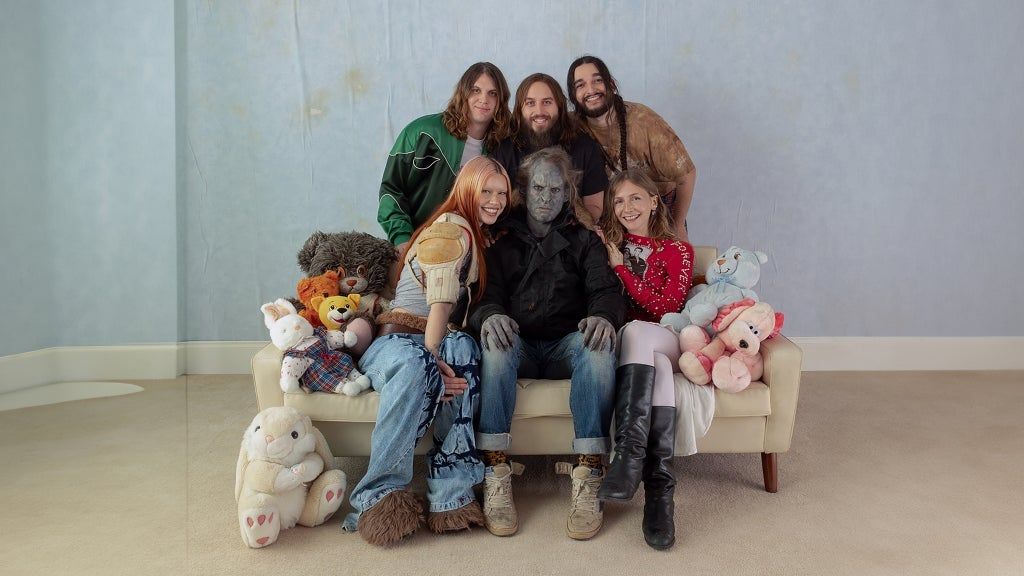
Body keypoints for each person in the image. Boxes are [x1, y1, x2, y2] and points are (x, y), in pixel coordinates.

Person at [345, 156, 517, 547]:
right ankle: (379, 494)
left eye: (502, 193)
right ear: (467, 190)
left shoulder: (475, 233)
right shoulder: (450, 229)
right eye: (486, 191)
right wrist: (431, 361)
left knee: (465, 348)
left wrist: (440, 357)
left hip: (435, 339)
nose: (495, 201)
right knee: (419, 364)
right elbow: (439, 304)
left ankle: (451, 494)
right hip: (396, 342)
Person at [469, 147, 625, 540]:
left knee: (598, 346)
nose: (546, 197)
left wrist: (603, 316)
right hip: (518, 343)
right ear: (524, 189)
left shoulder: (584, 240)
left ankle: (590, 469)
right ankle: (495, 468)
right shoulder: (502, 240)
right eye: (538, 188)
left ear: (567, 193)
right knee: (495, 343)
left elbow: (605, 290)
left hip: (564, 345)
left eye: (556, 190)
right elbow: (484, 295)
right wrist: (491, 315)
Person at [594, 169, 714, 550]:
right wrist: (609, 257)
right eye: (618, 201)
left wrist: (621, 269)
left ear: (653, 201)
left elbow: (666, 306)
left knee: (639, 333)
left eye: (635, 198)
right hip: (633, 353)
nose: (626, 207)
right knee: (652, 361)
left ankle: (628, 457)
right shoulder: (607, 244)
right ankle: (660, 496)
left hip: (667, 336)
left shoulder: (678, 250)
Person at [378, 62, 512, 254]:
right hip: (413, 245)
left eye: (493, 93)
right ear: (463, 93)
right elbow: (391, 189)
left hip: (463, 250)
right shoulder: (423, 132)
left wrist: (486, 230)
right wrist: (402, 238)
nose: (484, 99)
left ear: (501, 100)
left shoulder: (500, 148)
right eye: (476, 90)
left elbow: (495, 201)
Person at [567, 56, 697, 242]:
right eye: (580, 85)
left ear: (611, 84)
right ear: (573, 95)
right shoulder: (571, 127)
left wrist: (677, 223)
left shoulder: (644, 121)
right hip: (608, 215)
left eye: (597, 80)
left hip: (657, 211)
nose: (591, 90)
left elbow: (686, 174)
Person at [490, 73, 607, 222]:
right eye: (530, 103)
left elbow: (594, 207)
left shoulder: (585, 148)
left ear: (559, 106)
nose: (539, 111)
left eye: (547, 102)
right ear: (519, 109)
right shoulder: (504, 151)